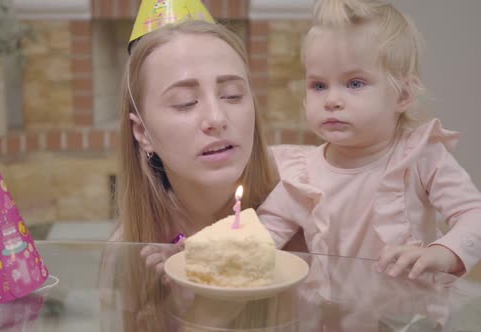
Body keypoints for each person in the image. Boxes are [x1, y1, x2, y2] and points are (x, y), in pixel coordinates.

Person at [258, 0, 481, 281]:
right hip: (330, 318)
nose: (332, 100)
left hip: (410, 317)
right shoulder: (302, 175)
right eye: (319, 85)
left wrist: (443, 252)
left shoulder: (421, 157)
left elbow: (474, 213)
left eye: (354, 83)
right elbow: (265, 234)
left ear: (403, 95)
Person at [97, 6, 280, 330]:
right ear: (142, 133)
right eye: (185, 102)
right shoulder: (129, 254)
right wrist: (203, 316)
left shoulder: (300, 218)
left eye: (232, 95)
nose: (216, 118)